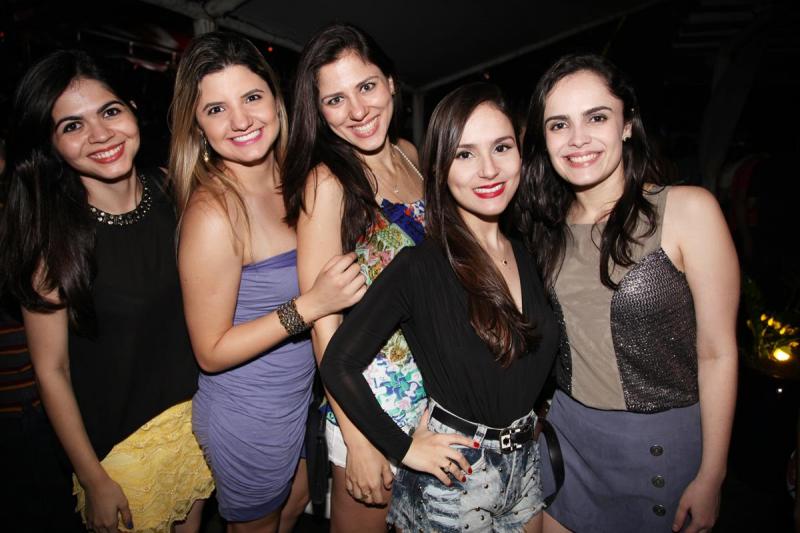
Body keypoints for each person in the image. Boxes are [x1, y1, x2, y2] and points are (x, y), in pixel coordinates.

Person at [321, 82, 559, 532]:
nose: (488, 169)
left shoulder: (529, 250)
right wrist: (403, 448)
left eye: (501, 147)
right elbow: (338, 363)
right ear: (440, 169)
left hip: (525, 465)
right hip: (455, 477)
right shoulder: (419, 266)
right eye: (465, 154)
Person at [518, 53, 738, 533]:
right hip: (568, 441)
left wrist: (713, 474)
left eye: (596, 117)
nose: (577, 139)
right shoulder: (542, 229)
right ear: (543, 139)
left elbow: (717, 352)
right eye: (559, 125)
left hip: (661, 449)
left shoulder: (687, 211)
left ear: (627, 124)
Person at [0, 50, 213, 533]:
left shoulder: (175, 193)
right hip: (120, 453)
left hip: (195, 425)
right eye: (72, 126)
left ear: (133, 111)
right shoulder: (53, 239)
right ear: (52, 145)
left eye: (110, 111)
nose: (100, 134)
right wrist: (93, 478)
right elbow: (51, 370)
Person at [169, 32, 365, 533]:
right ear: (197, 125)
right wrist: (310, 306)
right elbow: (210, 351)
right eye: (216, 109)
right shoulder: (214, 213)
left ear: (277, 100)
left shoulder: (297, 177)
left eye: (252, 97)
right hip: (247, 415)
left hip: (300, 398)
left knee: (294, 506)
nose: (240, 121)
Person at [282, 23, 427, 532]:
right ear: (319, 111)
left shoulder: (410, 154)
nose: (358, 110)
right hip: (371, 402)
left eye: (366, 86)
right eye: (335, 99)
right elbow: (323, 322)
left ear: (391, 83)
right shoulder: (327, 182)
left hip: (436, 398)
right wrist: (358, 438)